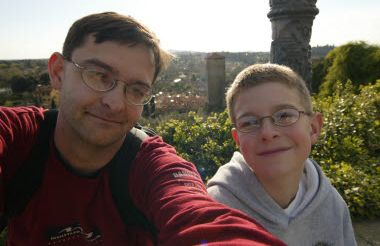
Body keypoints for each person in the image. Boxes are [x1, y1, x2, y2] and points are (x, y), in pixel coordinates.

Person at [0, 12, 286, 245]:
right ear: (58, 72)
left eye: (136, 90)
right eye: (99, 75)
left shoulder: (150, 165)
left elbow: (197, 214)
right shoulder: (17, 137)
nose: (114, 103)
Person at [207, 63, 357, 246]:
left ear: (313, 128)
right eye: (249, 123)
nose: (268, 133)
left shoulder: (333, 205)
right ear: (237, 140)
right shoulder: (215, 212)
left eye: (285, 115)